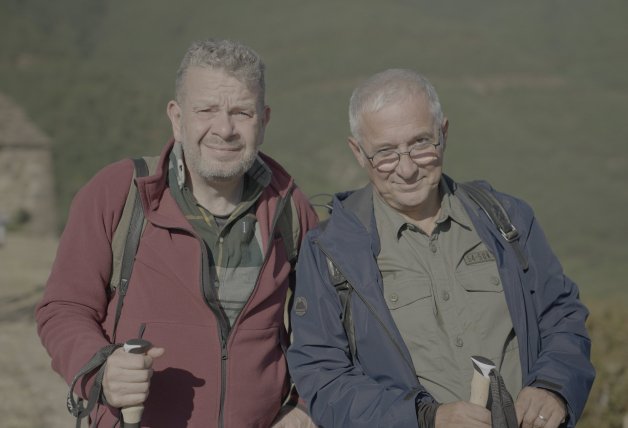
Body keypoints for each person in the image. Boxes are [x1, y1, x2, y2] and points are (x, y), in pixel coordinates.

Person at [286, 69, 594, 428]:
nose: (406, 169)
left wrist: (553, 387)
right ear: (358, 152)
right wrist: (424, 418)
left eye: (420, 143)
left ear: (443, 134)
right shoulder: (330, 251)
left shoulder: (507, 219)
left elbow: (562, 316)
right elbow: (325, 379)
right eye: (385, 153)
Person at [36, 39, 318, 427]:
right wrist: (100, 369)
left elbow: (326, 328)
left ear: (264, 120)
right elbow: (64, 309)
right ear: (177, 117)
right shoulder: (119, 194)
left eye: (242, 112)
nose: (225, 128)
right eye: (206, 110)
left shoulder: (291, 208)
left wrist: (305, 407)